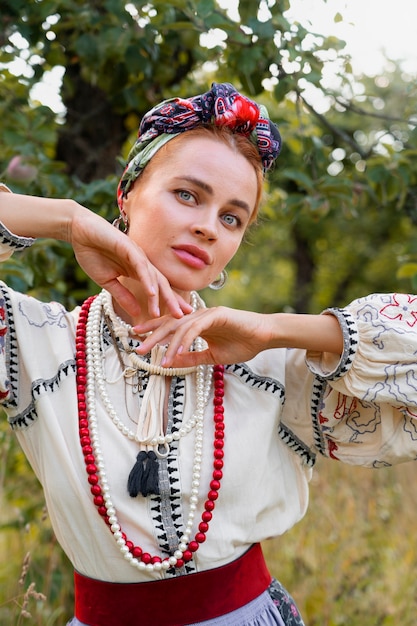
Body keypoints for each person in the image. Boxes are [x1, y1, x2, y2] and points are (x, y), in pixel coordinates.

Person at [0, 82, 416, 626]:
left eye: (232, 218)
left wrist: (274, 330)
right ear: (127, 194)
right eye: (188, 195)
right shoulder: (36, 345)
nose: (207, 227)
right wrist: (69, 219)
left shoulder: (273, 366)